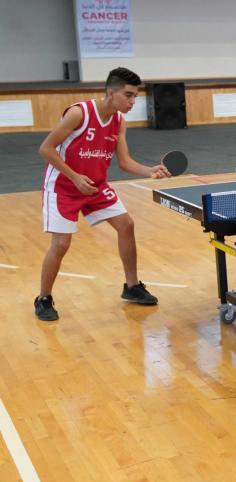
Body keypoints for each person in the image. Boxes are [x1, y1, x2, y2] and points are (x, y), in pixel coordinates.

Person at [35, 67, 170, 321]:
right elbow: (46, 148)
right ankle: (43, 298)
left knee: (126, 225)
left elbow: (125, 162)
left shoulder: (119, 121)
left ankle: (132, 286)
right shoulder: (79, 113)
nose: (132, 102)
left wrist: (149, 170)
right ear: (111, 92)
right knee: (61, 244)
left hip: (95, 186)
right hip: (63, 187)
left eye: (135, 97)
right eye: (128, 95)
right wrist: (74, 177)